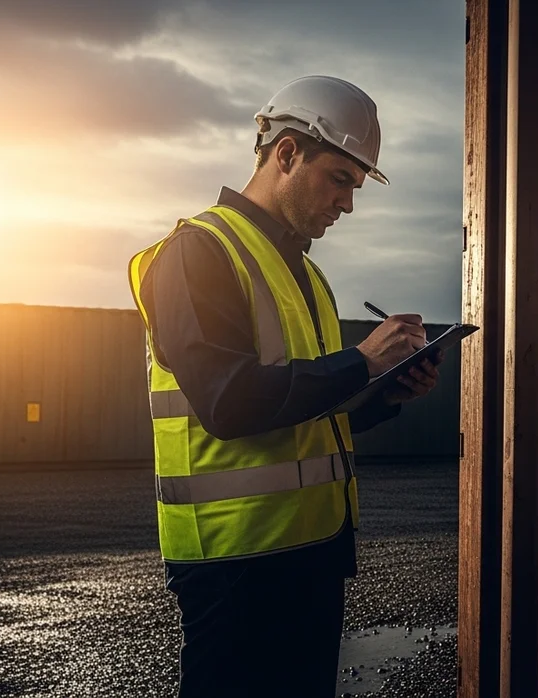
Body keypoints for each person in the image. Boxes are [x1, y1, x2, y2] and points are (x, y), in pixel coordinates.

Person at [126, 75, 442, 697]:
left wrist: (381, 395)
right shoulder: (198, 252)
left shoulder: (307, 275)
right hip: (235, 562)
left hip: (310, 553)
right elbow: (227, 400)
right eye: (341, 180)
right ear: (288, 154)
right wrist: (360, 362)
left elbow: (303, 408)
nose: (347, 204)